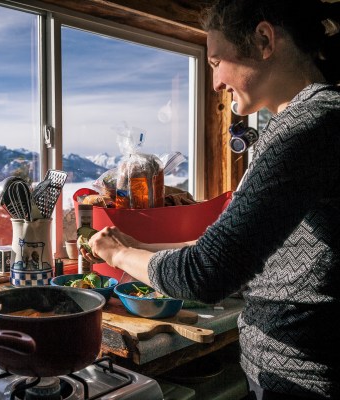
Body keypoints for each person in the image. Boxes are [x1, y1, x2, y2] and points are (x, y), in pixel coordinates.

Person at [83, 1, 340, 399]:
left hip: (304, 376)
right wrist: (136, 247)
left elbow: (205, 272)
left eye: (217, 60)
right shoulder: (304, 122)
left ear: (264, 40)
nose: (216, 82)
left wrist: (119, 257)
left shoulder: (311, 127)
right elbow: (229, 244)